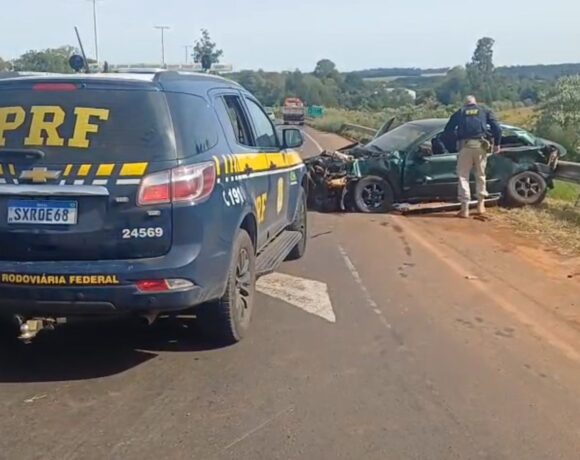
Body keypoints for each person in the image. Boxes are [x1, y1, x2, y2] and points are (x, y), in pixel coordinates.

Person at [444, 95, 502, 218]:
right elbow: (497, 128)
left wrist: (454, 143)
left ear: (465, 103)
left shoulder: (460, 112)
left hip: (465, 146)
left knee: (463, 176)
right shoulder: (484, 111)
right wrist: (497, 144)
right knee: (480, 175)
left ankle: (464, 208)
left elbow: (447, 130)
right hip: (481, 146)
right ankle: (481, 205)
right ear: (475, 102)